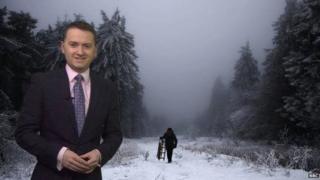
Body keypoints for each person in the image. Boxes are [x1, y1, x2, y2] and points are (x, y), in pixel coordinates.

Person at [15, 21, 123, 180]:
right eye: (73, 44)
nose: (80, 51)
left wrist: (100, 153)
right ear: (62, 47)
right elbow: (24, 133)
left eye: (87, 46)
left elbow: (114, 135)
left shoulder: (108, 89)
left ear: (95, 50)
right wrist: (59, 154)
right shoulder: (41, 83)